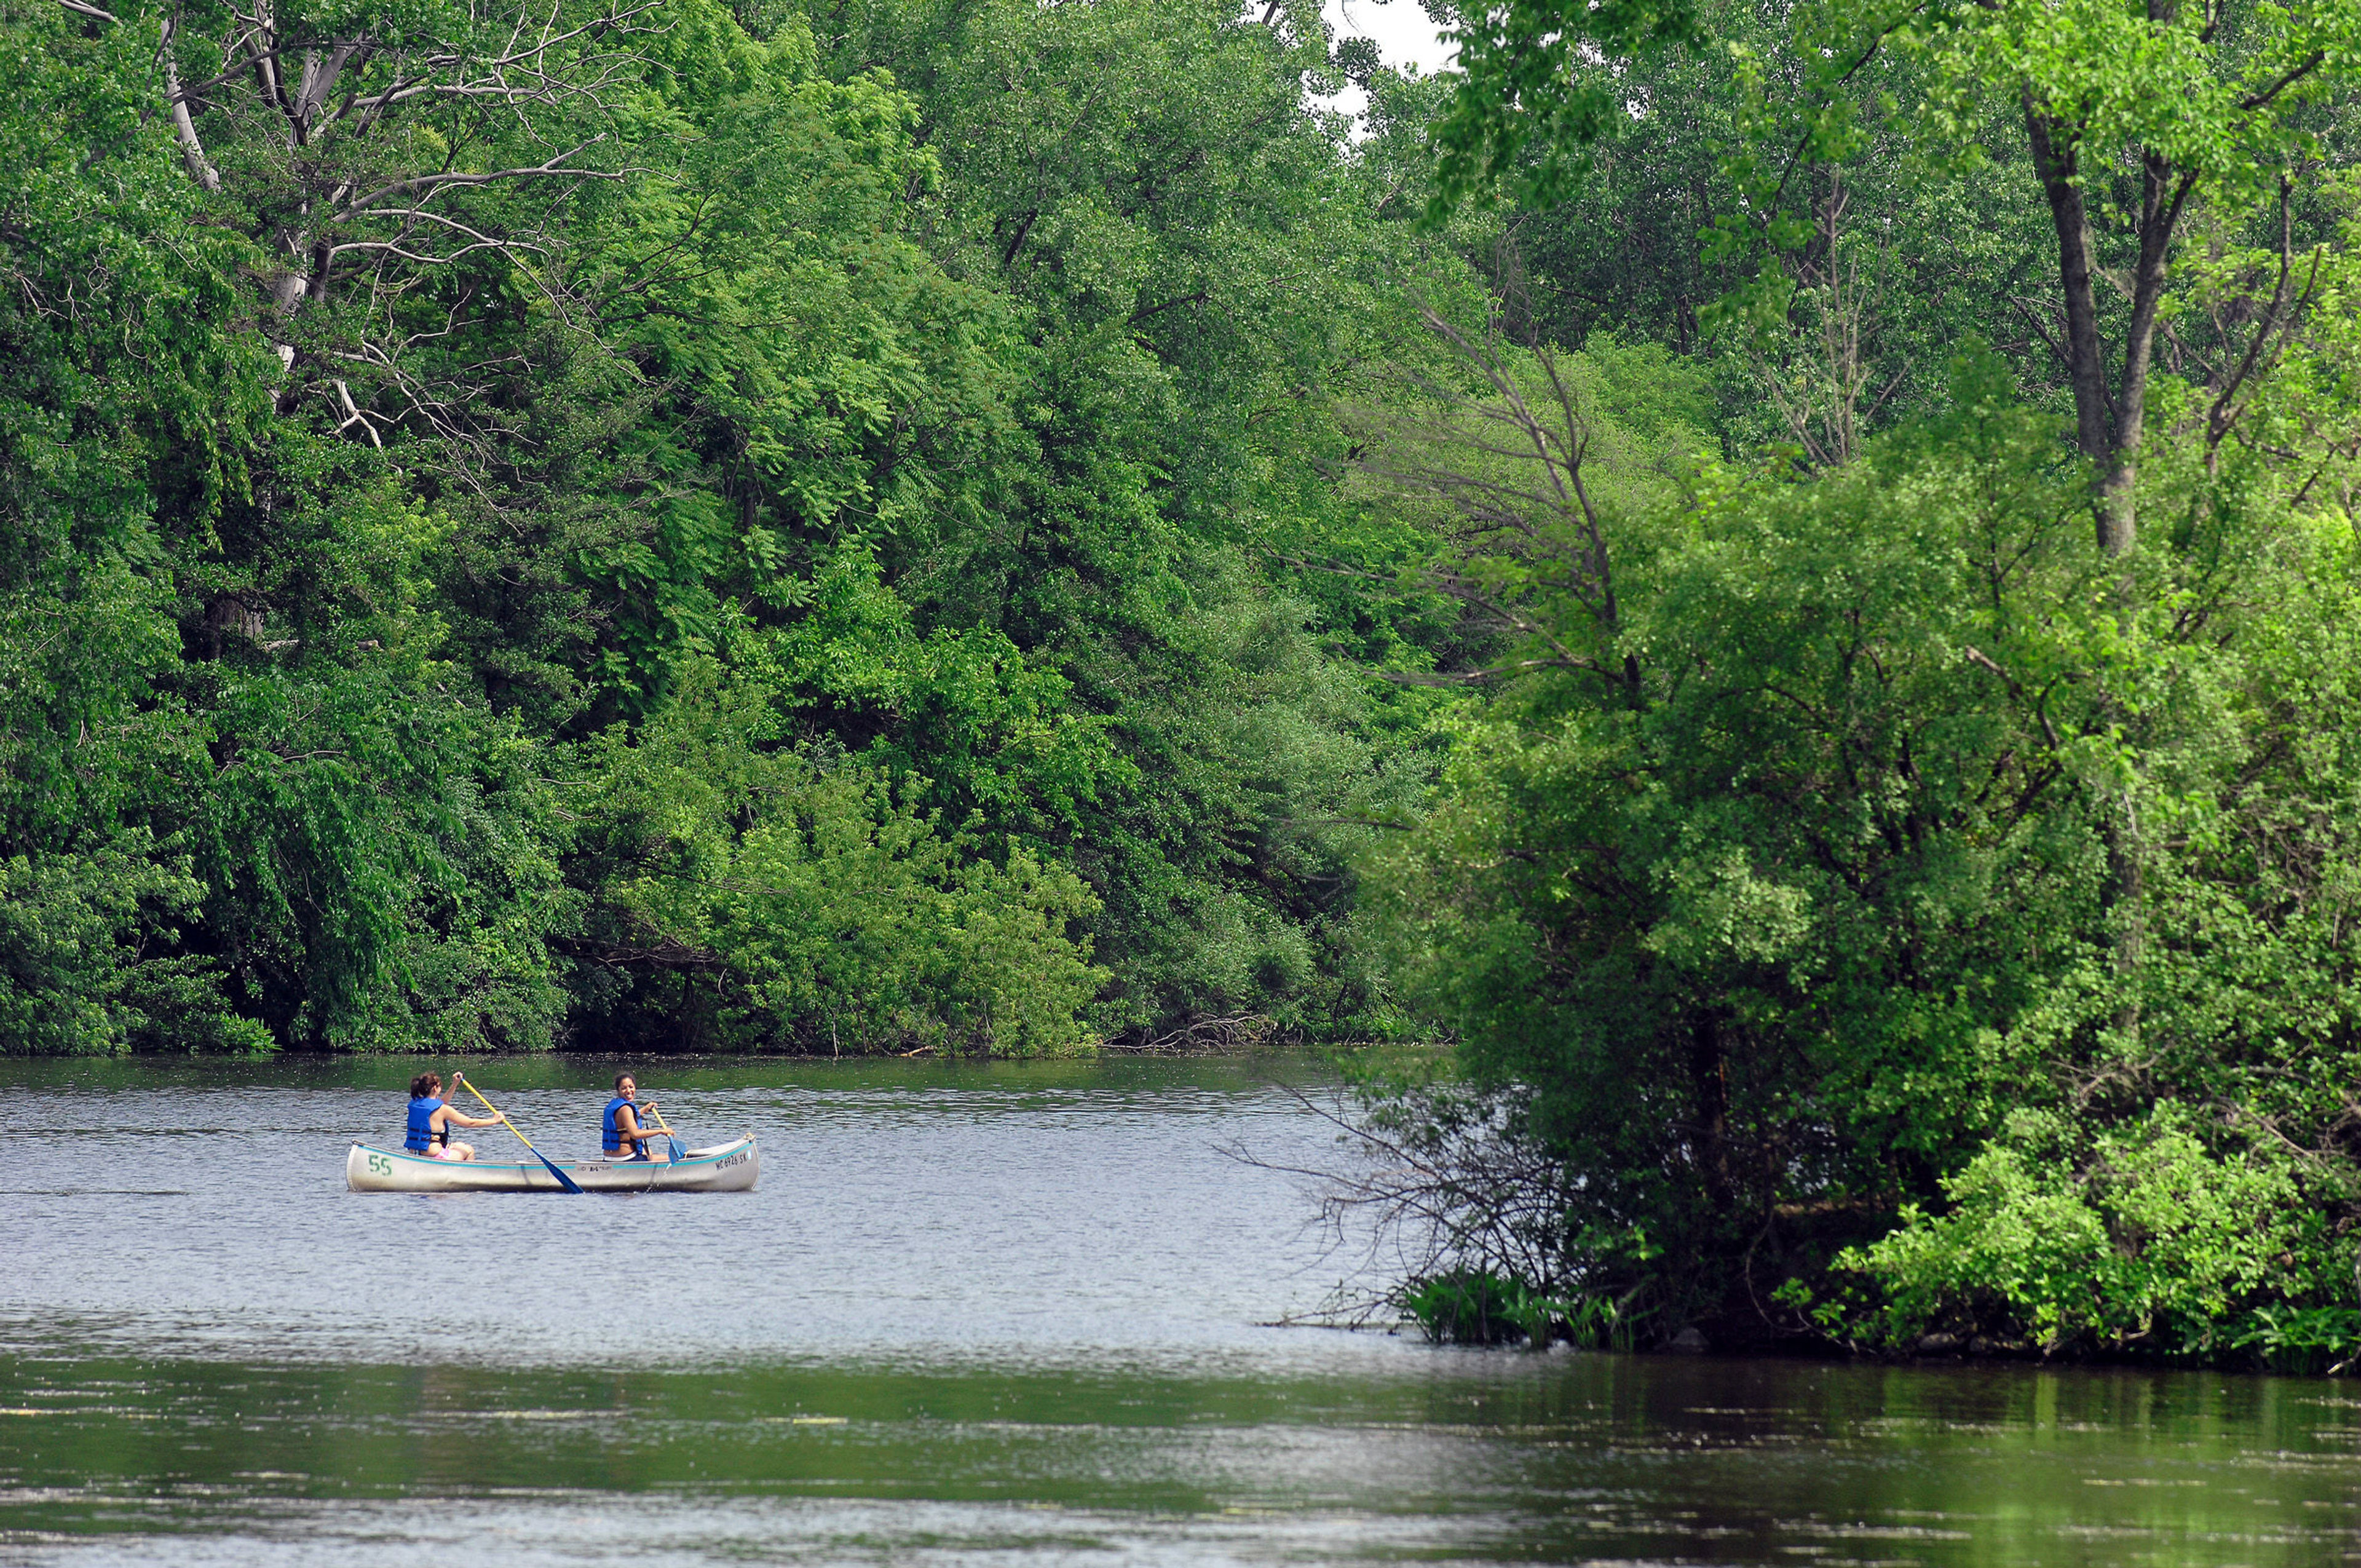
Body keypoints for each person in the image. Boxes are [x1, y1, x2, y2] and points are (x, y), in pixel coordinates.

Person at [405, 1071, 500, 1161]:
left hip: (415, 1153)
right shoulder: (443, 1109)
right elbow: (470, 1123)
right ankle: (464, 1177)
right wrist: (494, 1121)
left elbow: (441, 1103)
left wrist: (455, 1084)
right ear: (435, 1088)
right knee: (469, 1150)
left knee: (459, 1145)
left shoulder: (415, 1103)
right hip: (434, 1155)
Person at [602, 1074, 665, 1161]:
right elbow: (635, 1134)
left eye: (631, 1087)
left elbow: (627, 1120)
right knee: (665, 1157)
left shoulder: (614, 1105)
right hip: (626, 1158)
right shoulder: (626, 1109)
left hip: (609, 1158)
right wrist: (662, 1131)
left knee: (648, 1153)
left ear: (635, 1088)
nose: (629, 1091)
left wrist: (644, 1110)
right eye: (624, 1088)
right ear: (618, 1090)